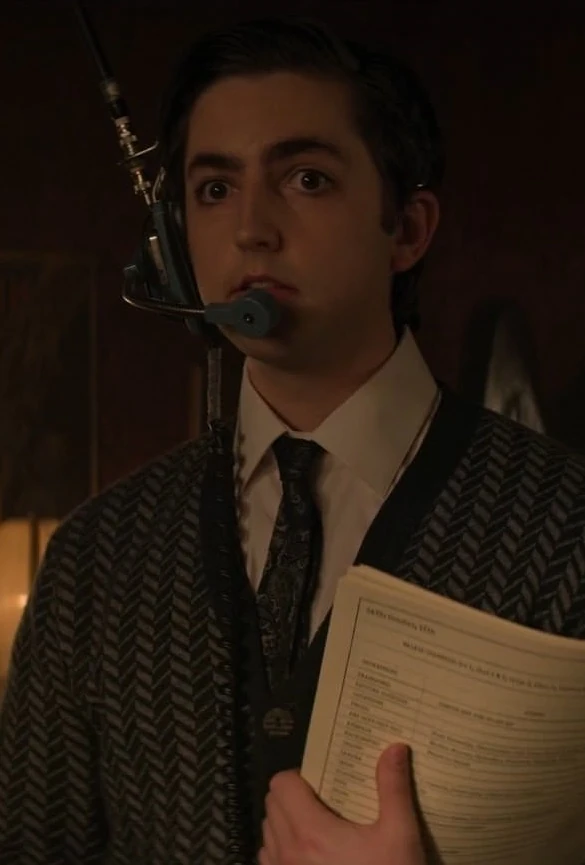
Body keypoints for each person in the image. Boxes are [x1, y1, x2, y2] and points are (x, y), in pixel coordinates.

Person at [2, 14, 585, 865]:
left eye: (305, 179)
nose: (251, 229)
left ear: (408, 229)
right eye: (213, 189)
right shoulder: (96, 556)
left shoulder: (566, 525)